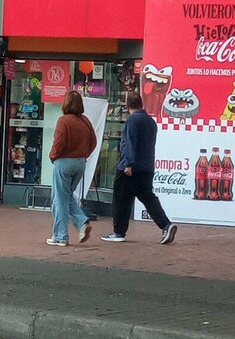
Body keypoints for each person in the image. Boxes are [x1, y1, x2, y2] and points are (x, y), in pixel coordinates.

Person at [101, 93, 177, 244]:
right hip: (146, 167)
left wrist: (128, 163)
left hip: (131, 168)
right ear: (141, 104)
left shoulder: (132, 120)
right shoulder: (150, 122)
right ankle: (165, 225)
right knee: (148, 197)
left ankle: (119, 231)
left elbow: (130, 142)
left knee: (121, 198)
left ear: (128, 105)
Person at [47, 91, 97, 246]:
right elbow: (93, 142)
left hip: (64, 162)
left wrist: (53, 156)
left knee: (60, 199)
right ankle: (81, 223)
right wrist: (84, 155)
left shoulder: (64, 121)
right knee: (66, 196)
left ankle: (61, 236)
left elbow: (59, 142)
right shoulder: (85, 121)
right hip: (80, 162)